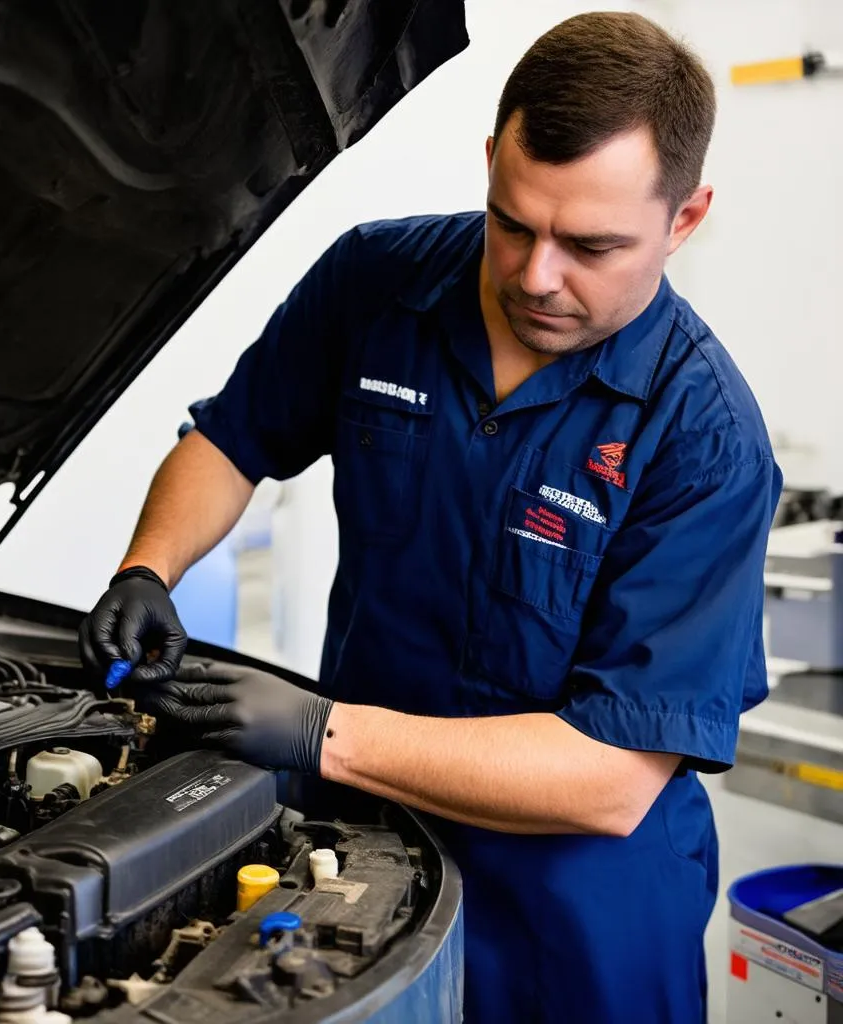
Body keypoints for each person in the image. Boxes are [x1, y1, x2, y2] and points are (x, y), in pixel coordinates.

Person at [79, 12, 782, 1022]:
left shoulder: (703, 439)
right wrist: (147, 567)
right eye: (512, 220)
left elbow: (612, 777)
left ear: (684, 218)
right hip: (364, 862)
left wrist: (323, 732)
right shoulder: (376, 283)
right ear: (492, 158)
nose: (536, 275)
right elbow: (232, 442)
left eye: (589, 245)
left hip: (576, 919)